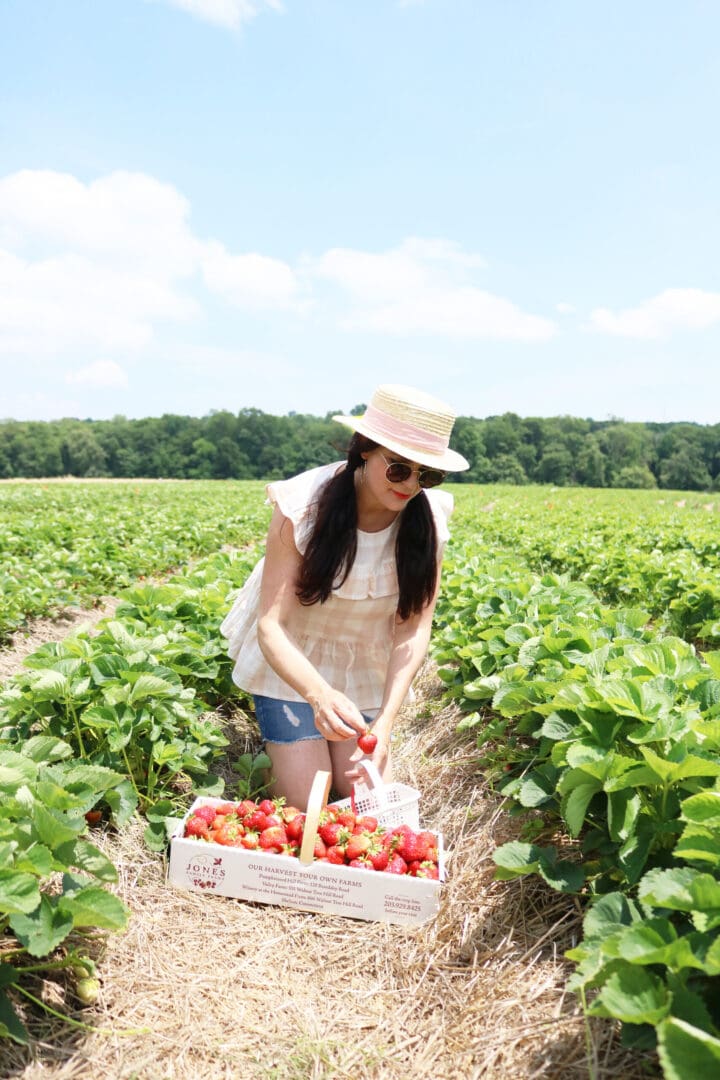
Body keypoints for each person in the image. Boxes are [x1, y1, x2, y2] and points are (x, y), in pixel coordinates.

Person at [220, 383, 470, 807]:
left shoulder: (428, 520)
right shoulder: (303, 505)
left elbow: (413, 631)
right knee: (307, 804)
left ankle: (319, 738)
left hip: (362, 667)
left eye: (427, 475)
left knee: (367, 802)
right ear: (366, 449)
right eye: (399, 469)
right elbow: (272, 626)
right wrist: (318, 695)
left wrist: (386, 724)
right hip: (292, 665)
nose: (410, 485)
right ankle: (283, 738)